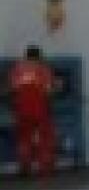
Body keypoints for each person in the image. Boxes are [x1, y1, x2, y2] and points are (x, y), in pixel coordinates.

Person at [7, 46, 58, 177]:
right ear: (39, 56)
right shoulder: (43, 69)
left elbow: (12, 89)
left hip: (21, 110)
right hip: (40, 109)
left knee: (24, 139)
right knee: (45, 139)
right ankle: (44, 169)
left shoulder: (17, 69)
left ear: (26, 56)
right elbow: (48, 91)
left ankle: (25, 168)